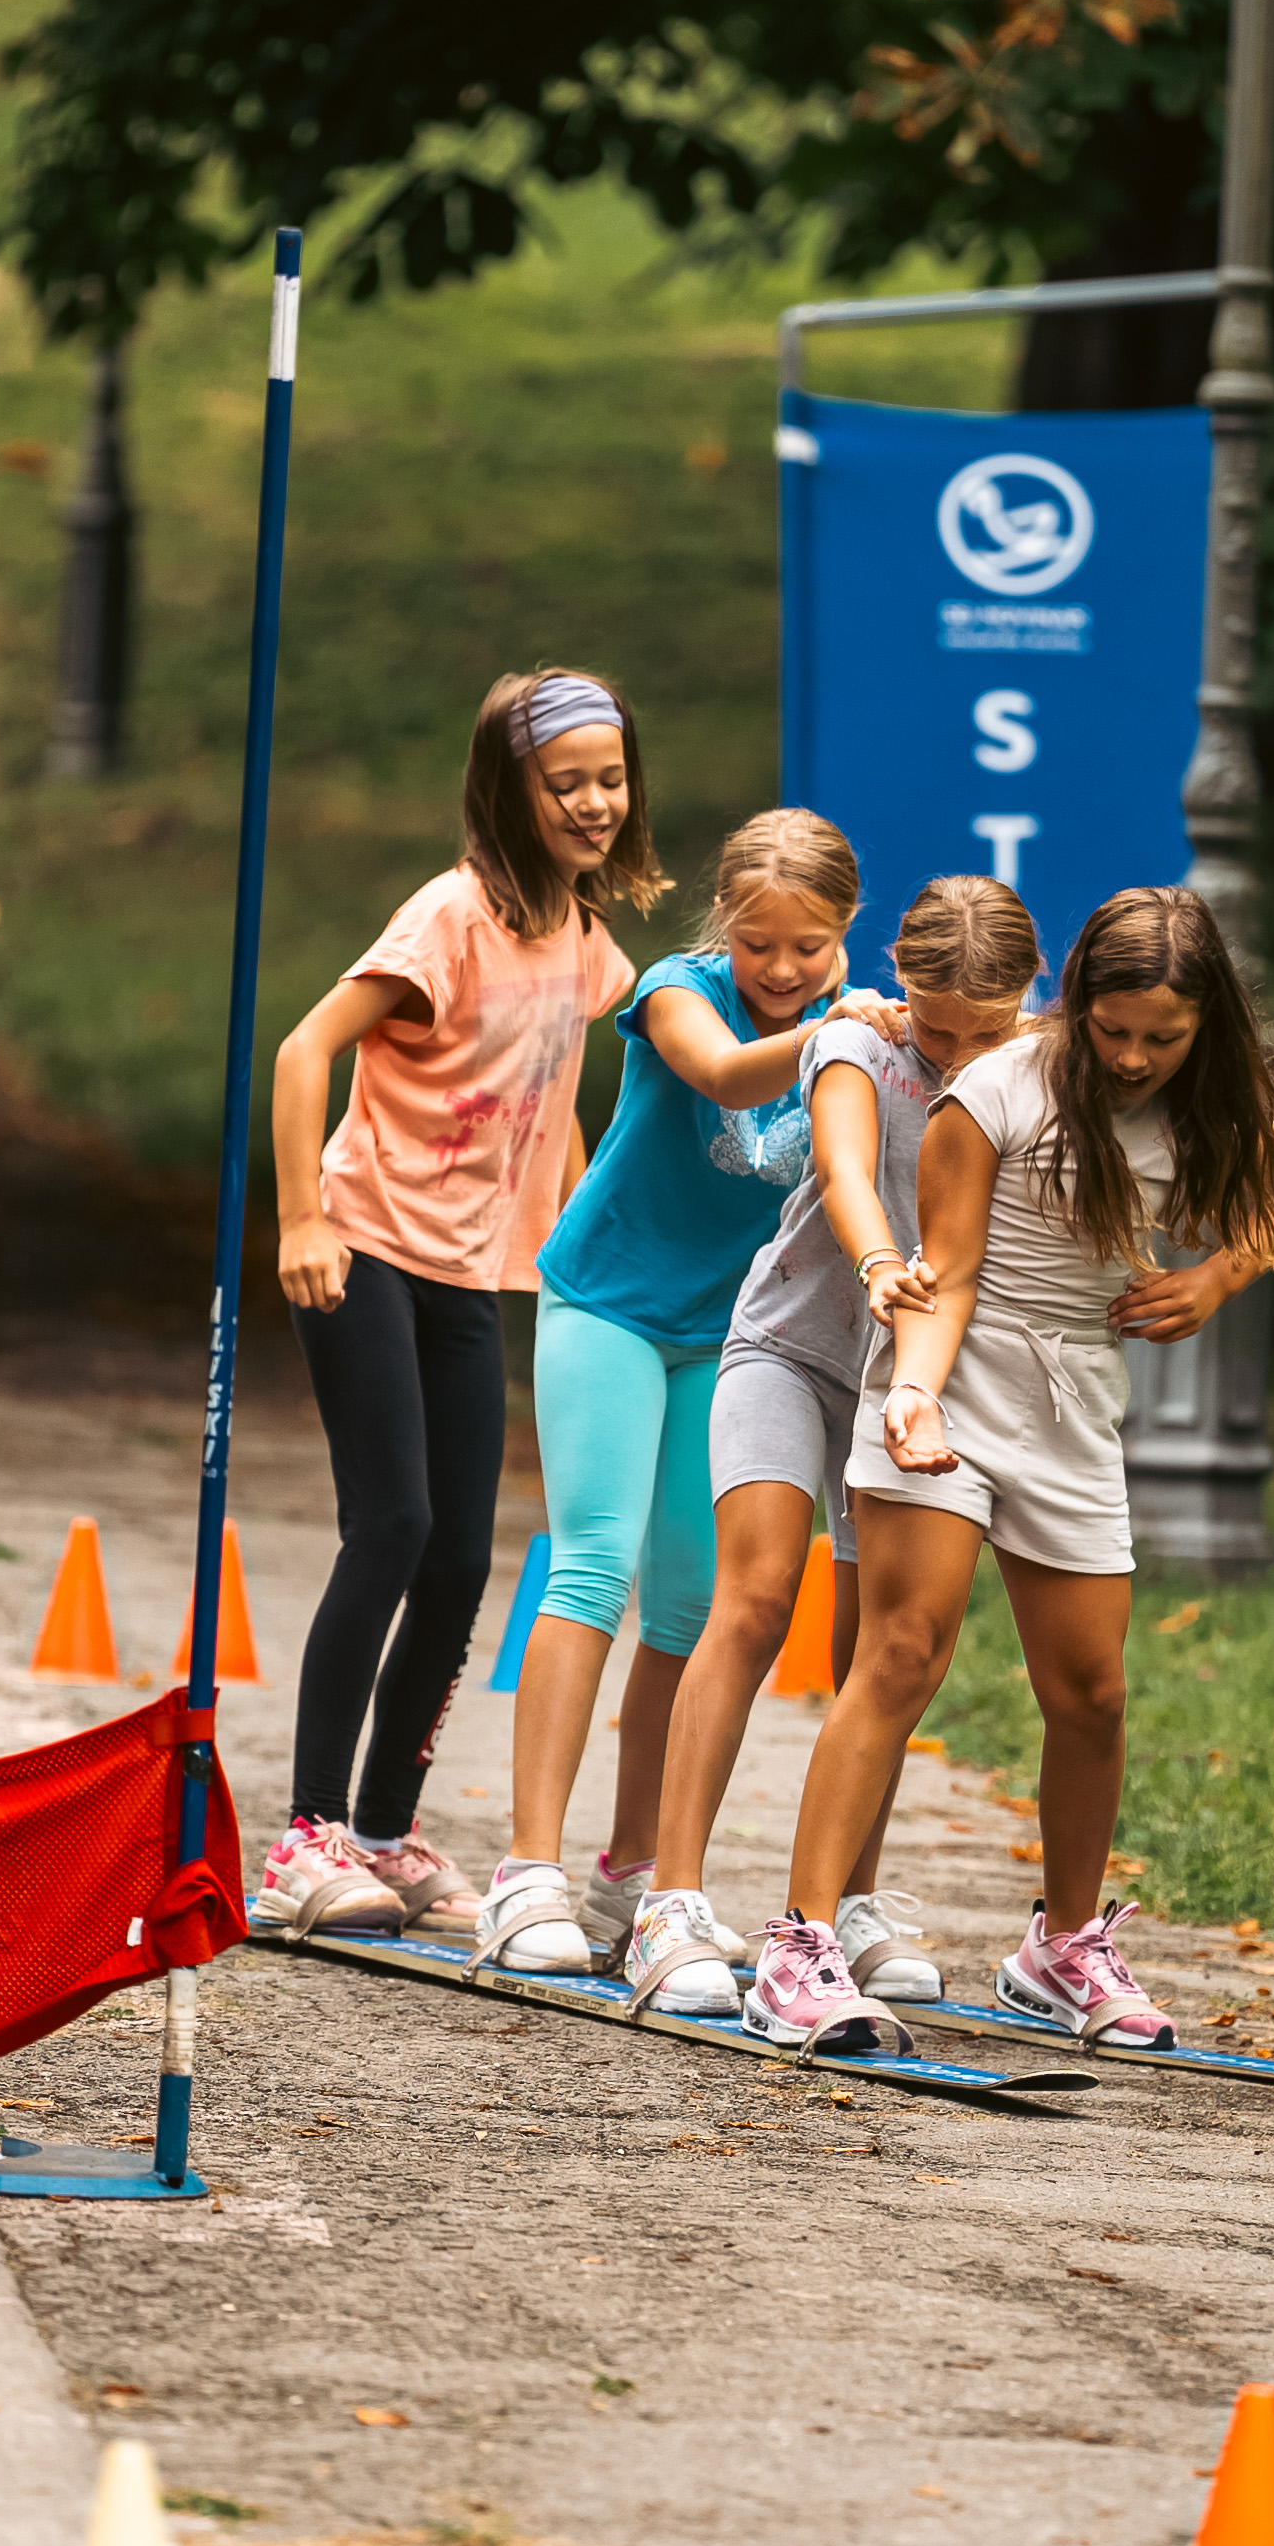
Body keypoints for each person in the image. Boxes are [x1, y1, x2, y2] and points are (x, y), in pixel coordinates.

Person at [746, 886, 1274, 2052]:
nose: (1129, 1057)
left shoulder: (1211, 1107)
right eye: (1111, 1031)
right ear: (1078, 1005)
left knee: (1092, 1695)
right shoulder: (999, 1091)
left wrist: (1211, 1281)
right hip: (952, 1380)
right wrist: (909, 1397)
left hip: (1071, 1404)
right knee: (902, 1651)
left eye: (1160, 1039)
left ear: (1203, 1024)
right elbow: (945, 1273)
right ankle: (801, 1947)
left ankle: (1062, 1947)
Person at [250, 670, 658, 1942]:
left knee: (462, 1557)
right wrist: (301, 1219)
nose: (595, 802)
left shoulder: (587, 945)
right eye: (566, 783)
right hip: (367, 1244)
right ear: (510, 790)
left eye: (610, 777)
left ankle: (384, 1827)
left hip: (483, 1271)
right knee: (394, 1523)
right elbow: (304, 1048)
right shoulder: (449, 920)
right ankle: (305, 1838)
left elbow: (563, 1085)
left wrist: (587, 1218)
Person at [479, 808, 885, 1979]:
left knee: (688, 1606)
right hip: (604, 1301)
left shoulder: (848, 1029)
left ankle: (629, 1869)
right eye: (761, 944)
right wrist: (834, 1037)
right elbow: (717, 1071)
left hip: (730, 1333)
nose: (783, 970)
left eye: (810, 948)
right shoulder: (675, 990)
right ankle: (527, 1870)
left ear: (845, 931)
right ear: (727, 926)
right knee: (593, 1563)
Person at [626, 876, 1041, 2017]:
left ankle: (846, 1908)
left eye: (984, 1032)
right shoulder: (856, 1041)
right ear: (897, 982)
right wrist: (876, 1266)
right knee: (754, 1598)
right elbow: (851, 1172)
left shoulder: (1041, 1064)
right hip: (793, 1350)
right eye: (934, 1022)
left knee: (881, 1643)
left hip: (907, 1381)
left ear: (1028, 995)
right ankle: (672, 1902)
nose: (954, 1053)